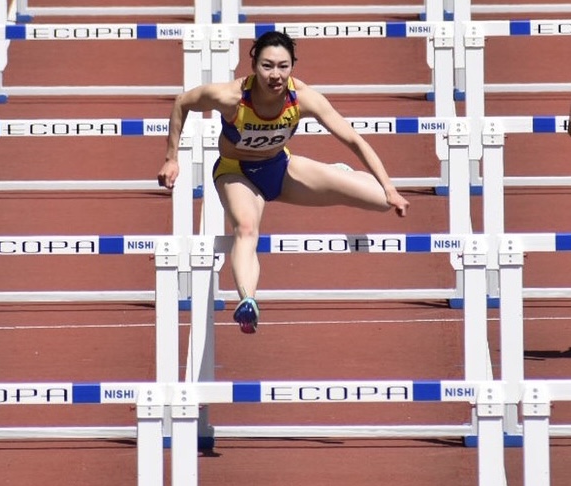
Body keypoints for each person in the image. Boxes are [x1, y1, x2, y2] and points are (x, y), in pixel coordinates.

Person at [158, 30, 410, 334]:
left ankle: (339, 175)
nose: (275, 75)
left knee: (381, 201)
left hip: (281, 168)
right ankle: (248, 300)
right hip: (236, 172)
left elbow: (353, 139)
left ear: (292, 66)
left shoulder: (303, 98)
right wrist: (172, 158)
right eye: (267, 66)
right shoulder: (230, 97)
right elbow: (182, 103)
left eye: (283, 66)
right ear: (253, 65)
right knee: (246, 228)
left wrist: (391, 188)